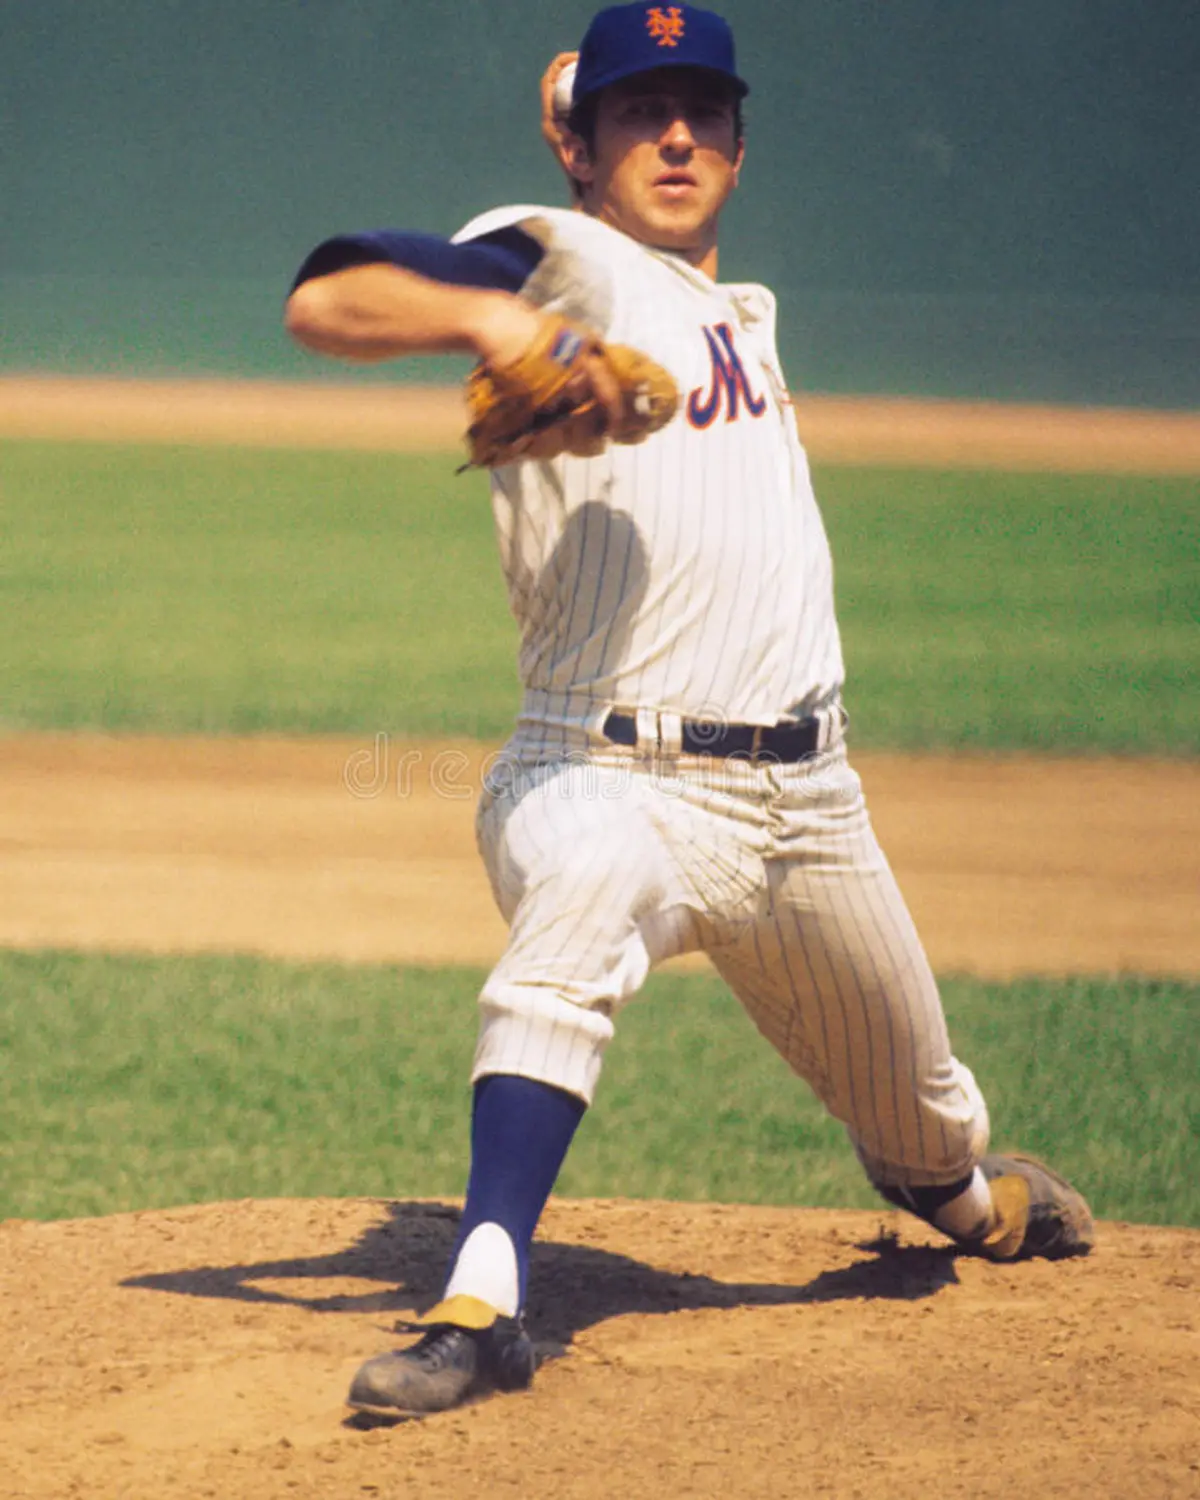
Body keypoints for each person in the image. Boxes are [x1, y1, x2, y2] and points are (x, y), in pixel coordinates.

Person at [285, 2, 1093, 1418]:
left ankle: (980, 1211)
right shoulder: (565, 254)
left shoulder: (740, 318)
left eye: (702, 109)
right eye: (637, 109)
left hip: (809, 811)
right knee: (577, 911)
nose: (676, 133)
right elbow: (328, 294)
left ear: (737, 138)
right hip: (605, 775)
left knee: (927, 1132)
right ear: (579, 143)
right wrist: (493, 316)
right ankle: (481, 1304)